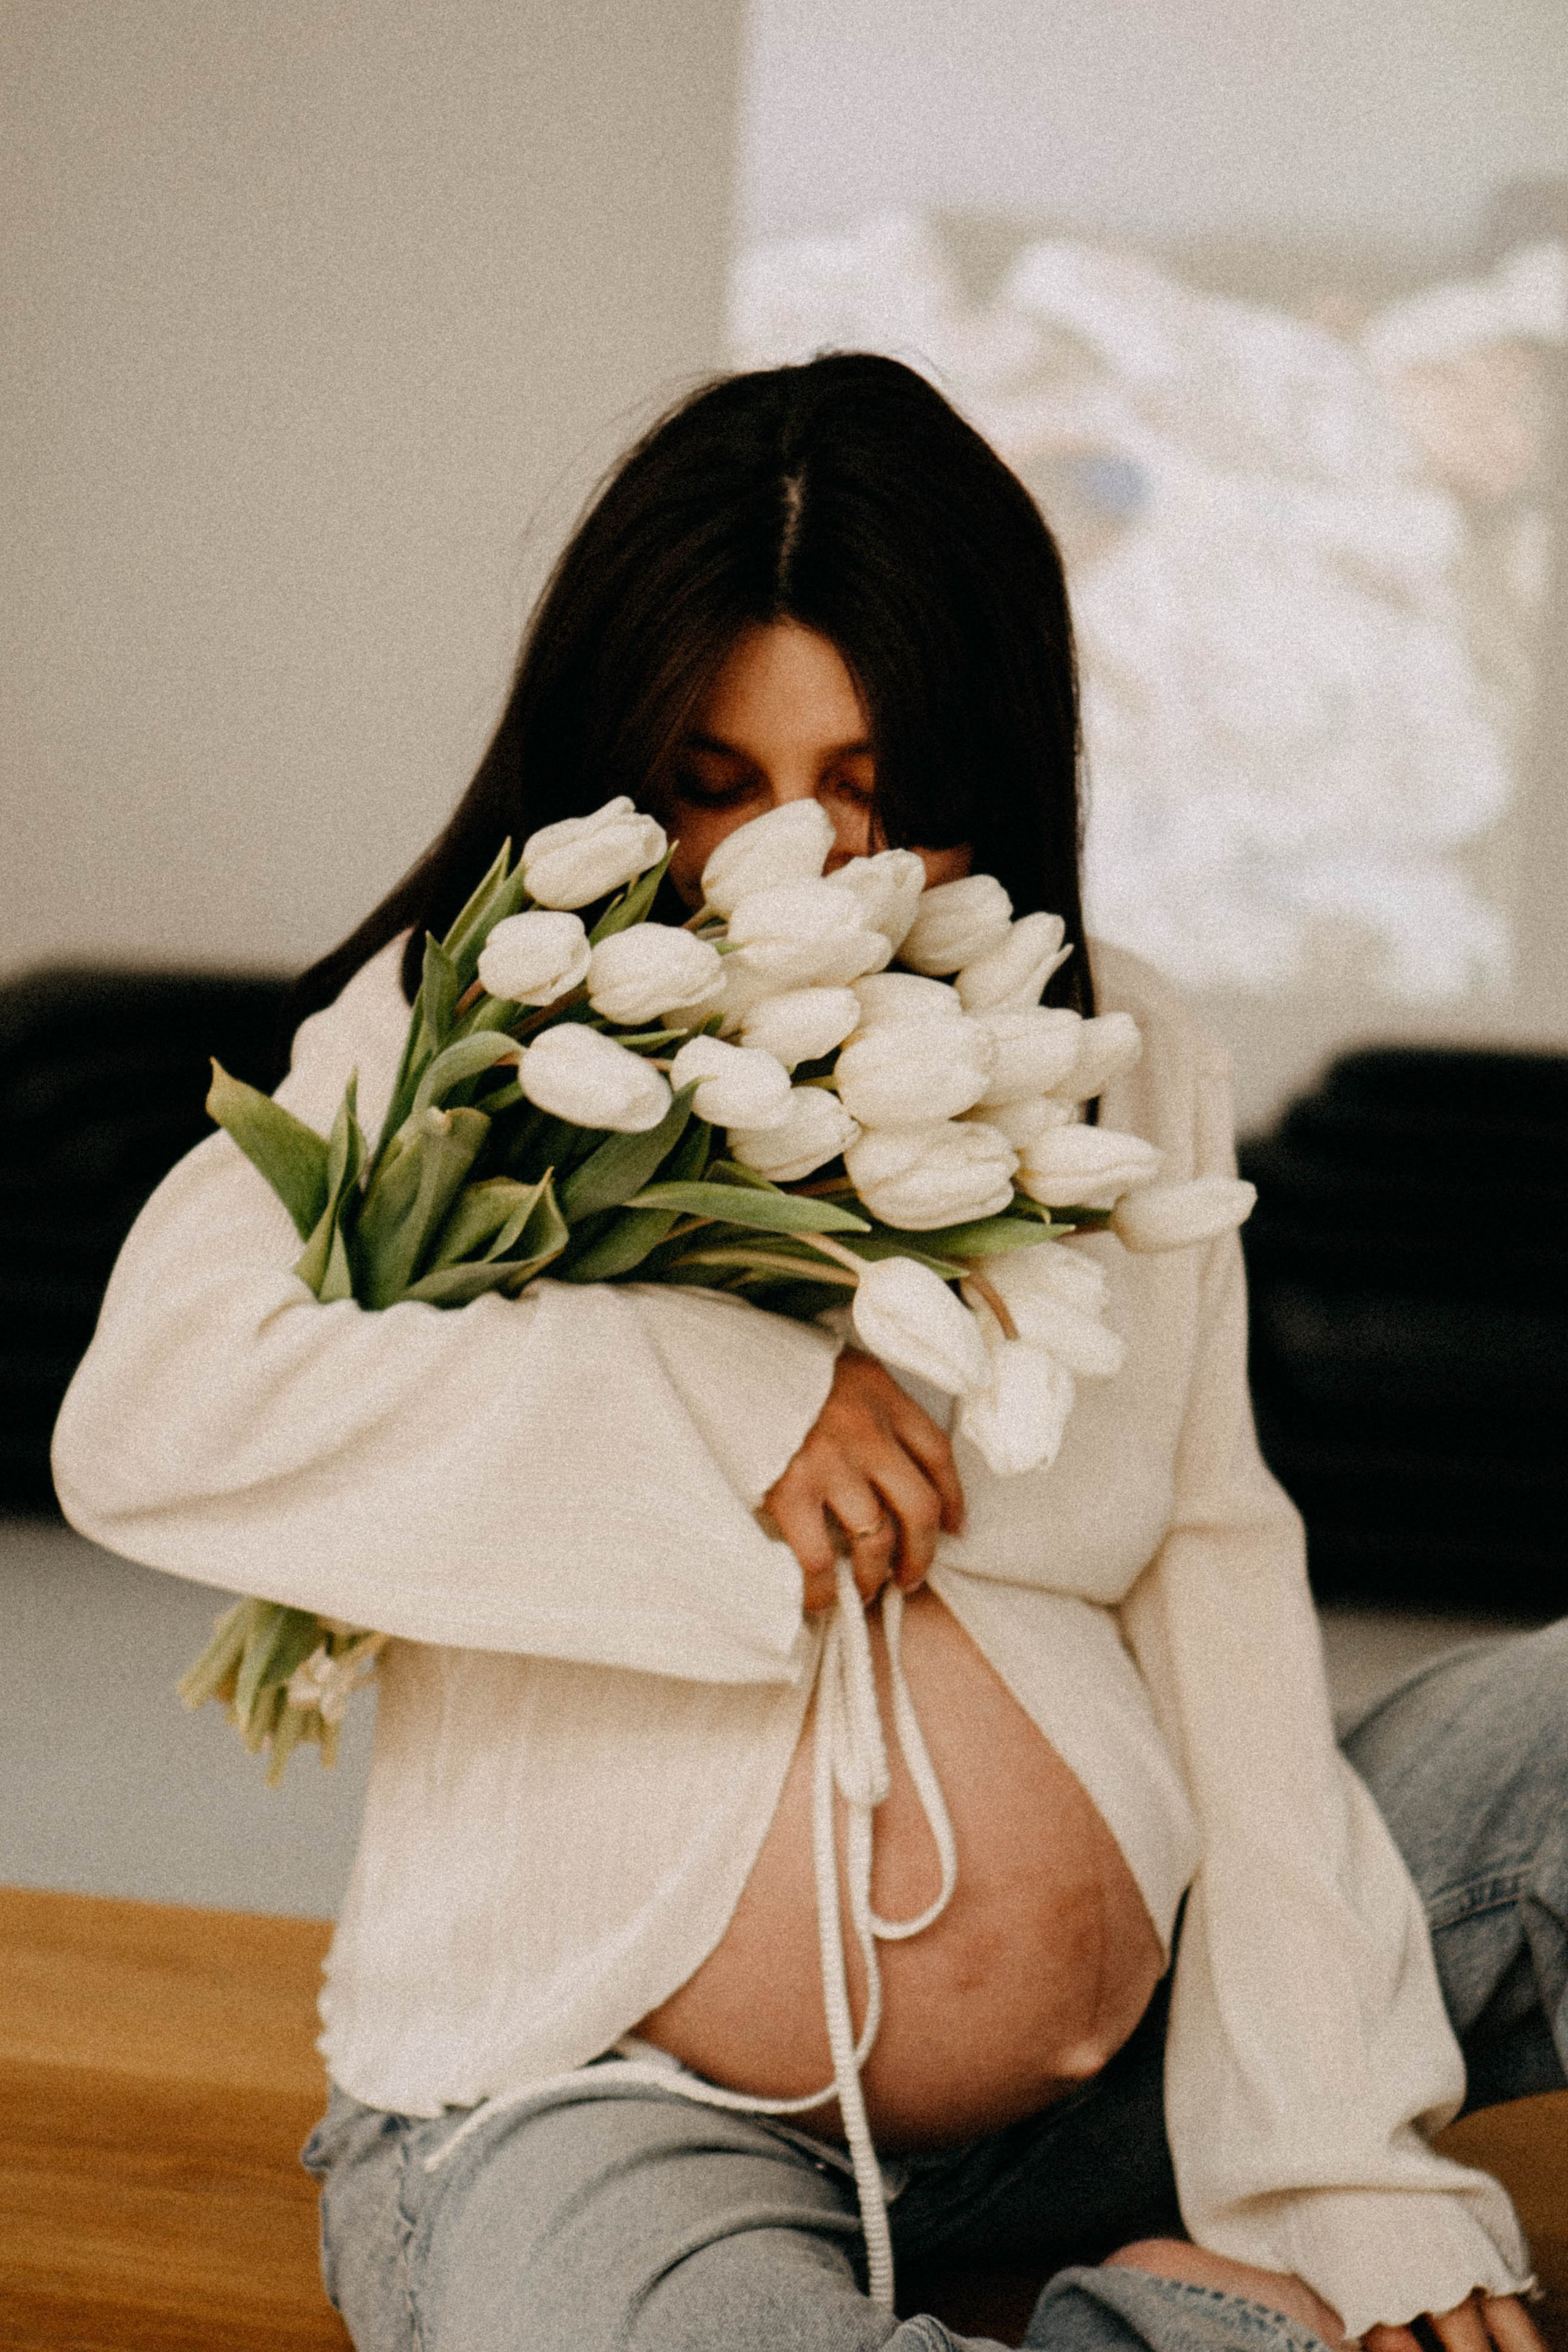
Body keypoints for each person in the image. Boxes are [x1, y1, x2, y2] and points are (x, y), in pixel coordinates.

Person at [51, 354, 1566, 2352]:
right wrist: (733, 1410)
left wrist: (1342, 2163)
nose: (803, 866)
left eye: (876, 783)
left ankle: (1220, 2251)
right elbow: (155, 1412)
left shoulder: (1130, 1049)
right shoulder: (464, 1029)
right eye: (717, 782)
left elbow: (1215, 1582)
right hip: (596, 2106)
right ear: (617, 763)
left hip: (1127, 2077)